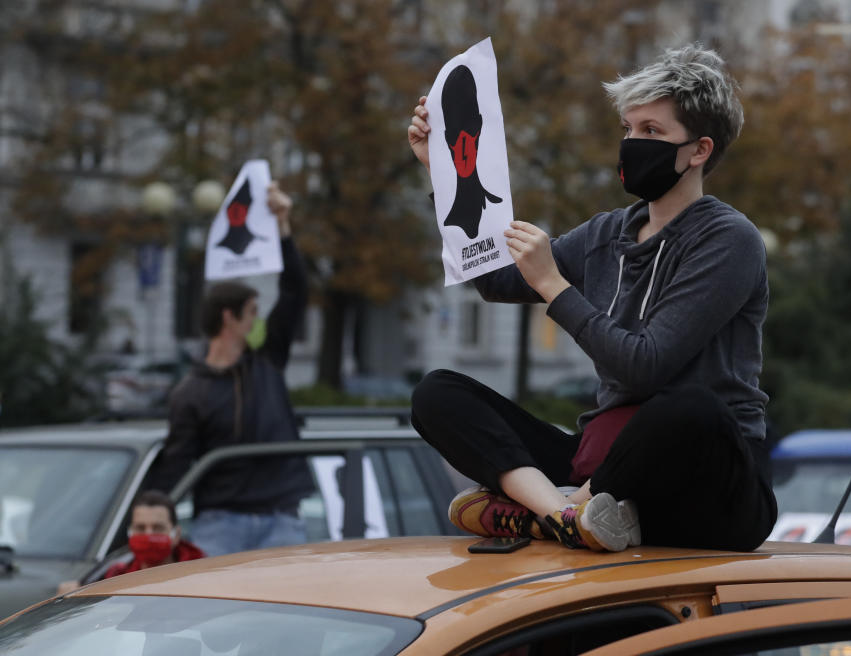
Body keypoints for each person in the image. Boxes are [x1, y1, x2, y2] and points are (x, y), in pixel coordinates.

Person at [406, 44, 777, 552]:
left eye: (652, 132)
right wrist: (445, 174)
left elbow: (645, 367)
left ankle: (550, 511)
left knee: (692, 408)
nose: (632, 143)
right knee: (437, 394)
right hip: (602, 467)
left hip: (706, 485)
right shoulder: (607, 232)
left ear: (699, 150)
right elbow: (494, 280)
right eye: (628, 128)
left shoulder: (728, 239)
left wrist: (554, 287)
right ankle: (562, 515)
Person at [146, 182, 315, 556]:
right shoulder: (190, 392)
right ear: (229, 318)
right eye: (253, 313)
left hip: (281, 518)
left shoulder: (267, 362)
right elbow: (175, 464)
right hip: (220, 524)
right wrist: (145, 519)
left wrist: (283, 226)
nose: (259, 322)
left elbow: (295, 292)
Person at [58, 490, 205, 592]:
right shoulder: (115, 577)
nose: (148, 534)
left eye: (157, 528)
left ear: (176, 534)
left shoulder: (202, 576)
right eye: (141, 528)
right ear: (130, 533)